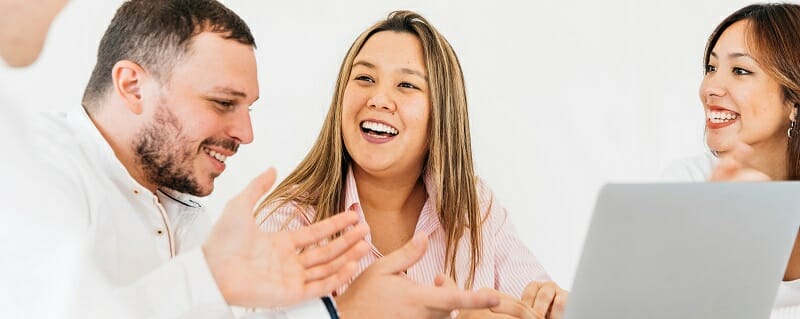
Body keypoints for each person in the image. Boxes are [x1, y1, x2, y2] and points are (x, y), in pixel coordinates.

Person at [34, 0, 374, 317]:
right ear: (133, 87)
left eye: (248, 108)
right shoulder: (35, 175)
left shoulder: (180, 206)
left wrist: (336, 310)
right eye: (224, 102)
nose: (246, 132)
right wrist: (209, 278)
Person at [256, 10, 566, 319]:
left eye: (406, 85)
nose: (378, 99)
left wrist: (556, 307)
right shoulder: (287, 222)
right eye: (364, 78)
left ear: (440, 115)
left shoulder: (476, 207)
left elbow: (535, 302)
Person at [662, 3, 800, 318]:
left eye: (740, 70)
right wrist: (717, 229)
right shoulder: (688, 184)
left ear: (794, 100)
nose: (709, 88)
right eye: (711, 68)